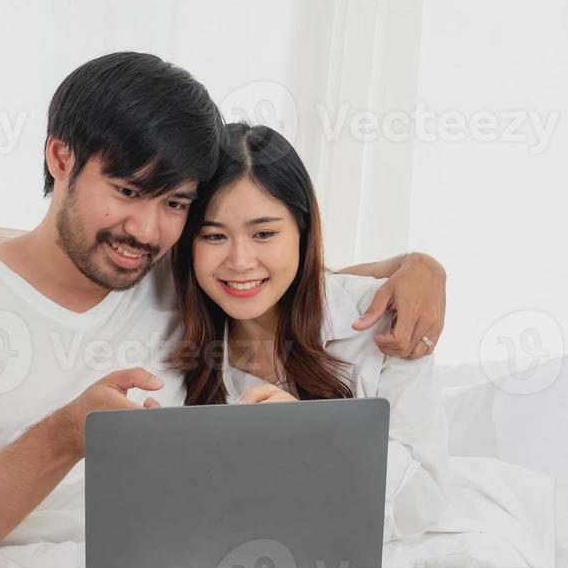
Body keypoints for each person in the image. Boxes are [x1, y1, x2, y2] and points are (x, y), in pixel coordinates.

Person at [0, 52, 447, 568]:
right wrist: (68, 434)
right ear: (59, 156)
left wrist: (416, 265)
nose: (146, 232)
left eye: (175, 204)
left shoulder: (179, 275)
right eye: (126, 191)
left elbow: (278, 274)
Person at [169, 123, 449, 539]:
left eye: (264, 233)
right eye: (213, 236)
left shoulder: (385, 321)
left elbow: (422, 502)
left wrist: (309, 440)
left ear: (303, 232)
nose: (240, 260)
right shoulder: (170, 328)